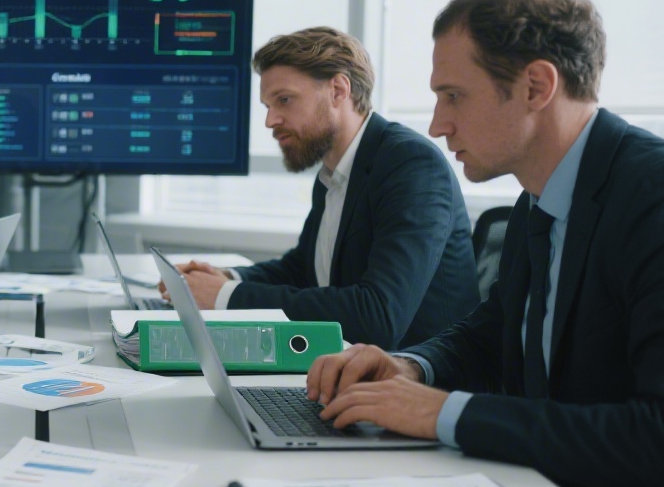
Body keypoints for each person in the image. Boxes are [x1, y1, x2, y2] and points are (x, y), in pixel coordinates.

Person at [307, 0, 664, 487]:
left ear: (536, 85)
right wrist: (410, 368)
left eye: (454, 95)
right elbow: (493, 333)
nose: (437, 124)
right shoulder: (540, 197)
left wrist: (444, 413)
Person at [164, 27, 478, 349]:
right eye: (268, 106)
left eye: (284, 100)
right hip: (349, 371)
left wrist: (226, 297)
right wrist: (225, 277)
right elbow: (301, 269)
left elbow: (378, 317)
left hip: (419, 385)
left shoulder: (410, 165)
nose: (271, 120)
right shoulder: (334, 173)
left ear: (338, 91)